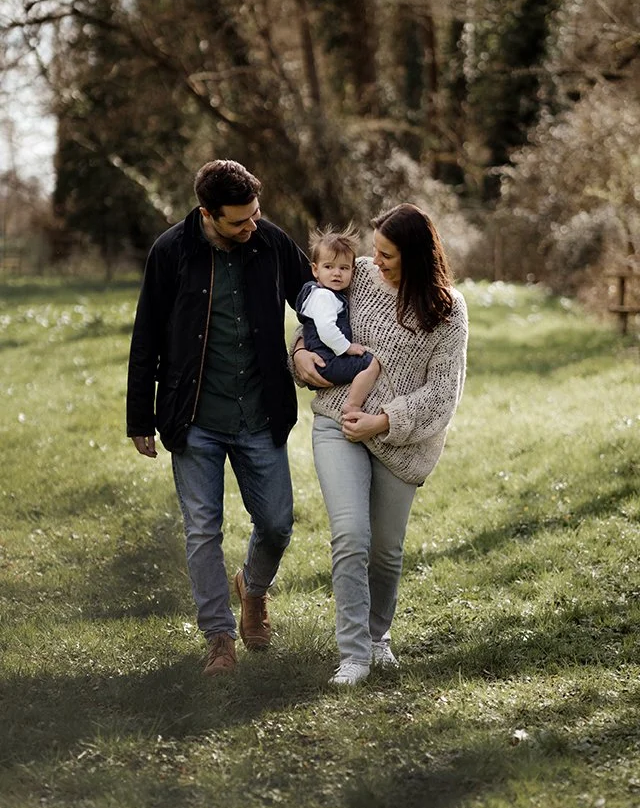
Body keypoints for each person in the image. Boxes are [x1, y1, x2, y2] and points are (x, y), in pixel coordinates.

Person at [127, 159, 312, 677]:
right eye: (239, 221)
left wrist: (308, 348)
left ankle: (252, 590)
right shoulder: (170, 251)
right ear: (208, 214)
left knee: (276, 523)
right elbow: (146, 336)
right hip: (194, 418)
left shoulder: (271, 242)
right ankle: (219, 640)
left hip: (260, 413)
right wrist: (139, 415)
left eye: (255, 214)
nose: (251, 226)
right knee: (202, 530)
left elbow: (315, 301)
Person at [293, 203, 468, 685]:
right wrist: (300, 354)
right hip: (338, 422)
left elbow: (442, 395)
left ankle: (377, 638)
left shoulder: (448, 312)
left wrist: (383, 421)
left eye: (387, 254)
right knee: (351, 536)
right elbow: (316, 318)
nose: (376, 260)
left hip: (401, 442)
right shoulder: (360, 275)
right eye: (375, 251)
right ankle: (353, 655)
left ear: (415, 255)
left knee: (386, 551)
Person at [295, 225, 381, 415]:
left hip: (323, 360)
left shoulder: (316, 294)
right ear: (315, 270)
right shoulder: (324, 297)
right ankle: (352, 405)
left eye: (344, 268)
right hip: (327, 361)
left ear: (353, 270)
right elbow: (326, 329)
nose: (336, 273)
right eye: (329, 267)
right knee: (371, 363)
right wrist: (347, 347)